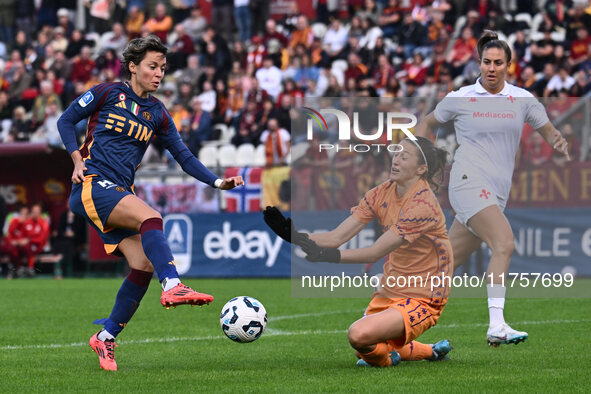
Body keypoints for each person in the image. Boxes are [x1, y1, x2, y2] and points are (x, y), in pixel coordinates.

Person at [57, 35, 244, 371]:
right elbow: (65, 120)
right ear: (133, 66)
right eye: (152, 66)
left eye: (162, 68)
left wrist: (218, 181)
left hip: (115, 190)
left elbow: (184, 156)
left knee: (142, 264)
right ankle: (173, 284)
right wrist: (75, 160)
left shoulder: (157, 113)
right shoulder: (106, 93)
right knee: (151, 216)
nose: (159, 74)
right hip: (92, 183)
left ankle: (106, 338)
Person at [414, 30, 570, 347]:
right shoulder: (460, 97)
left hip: (494, 195)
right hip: (468, 183)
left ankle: (382, 318)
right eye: (486, 62)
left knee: (439, 267)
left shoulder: (523, 100)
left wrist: (559, 143)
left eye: (498, 62)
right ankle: (496, 325)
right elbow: (427, 123)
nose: (491, 68)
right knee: (505, 243)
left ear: (509, 65)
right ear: (479, 63)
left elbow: (549, 131)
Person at [264, 137, 452, 367]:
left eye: (405, 156)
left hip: (424, 295)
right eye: (396, 153)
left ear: (421, 168)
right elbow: (336, 237)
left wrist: (327, 256)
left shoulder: (423, 205)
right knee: (363, 345)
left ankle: (387, 359)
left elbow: (374, 252)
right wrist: (295, 237)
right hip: (391, 288)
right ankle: (429, 351)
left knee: (359, 336)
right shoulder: (380, 193)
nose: (396, 160)